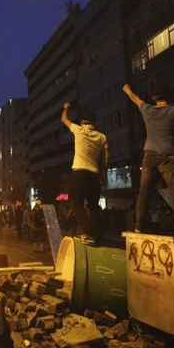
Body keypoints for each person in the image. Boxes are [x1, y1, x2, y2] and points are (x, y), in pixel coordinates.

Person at [122, 84, 174, 235]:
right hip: (169, 154)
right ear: (169, 95)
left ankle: (139, 226)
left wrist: (127, 90)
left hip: (150, 155)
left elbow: (135, 99)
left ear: (154, 98)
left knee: (144, 190)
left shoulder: (147, 109)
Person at [61, 101, 109, 244]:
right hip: (94, 175)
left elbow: (64, 119)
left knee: (76, 204)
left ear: (82, 121)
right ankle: (97, 234)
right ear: (94, 122)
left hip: (79, 174)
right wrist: (102, 175)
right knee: (93, 206)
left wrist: (66, 108)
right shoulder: (102, 137)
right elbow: (105, 159)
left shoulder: (78, 130)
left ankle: (88, 233)